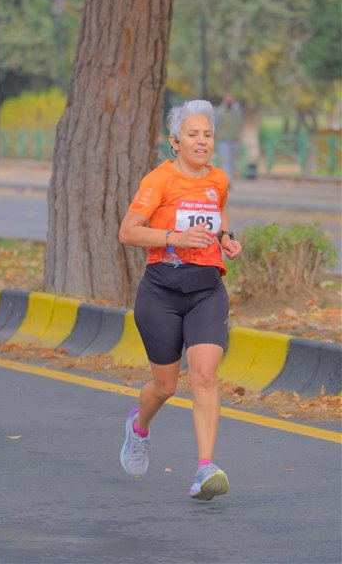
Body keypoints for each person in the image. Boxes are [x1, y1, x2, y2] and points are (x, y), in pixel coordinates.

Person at [118, 99, 242, 501]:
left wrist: (226, 238)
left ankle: (205, 468)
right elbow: (128, 231)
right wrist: (175, 237)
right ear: (175, 141)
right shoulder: (159, 180)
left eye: (207, 134)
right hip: (161, 292)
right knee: (165, 386)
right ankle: (139, 428)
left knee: (204, 375)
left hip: (207, 289)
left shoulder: (218, 179)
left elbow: (218, 213)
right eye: (193, 134)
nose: (202, 141)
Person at [215, 92, 243, 186]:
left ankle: (229, 179)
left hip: (234, 139)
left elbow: (239, 124)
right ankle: (227, 180)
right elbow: (216, 124)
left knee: (232, 161)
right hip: (223, 139)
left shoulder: (237, 111)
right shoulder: (220, 111)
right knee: (225, 160)